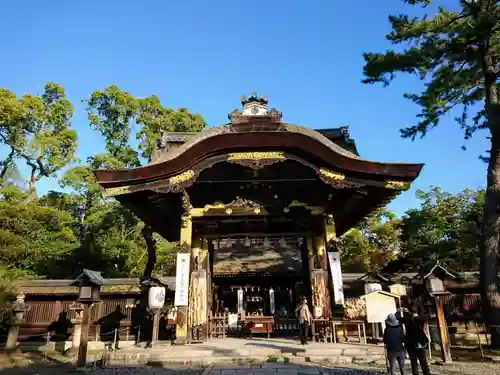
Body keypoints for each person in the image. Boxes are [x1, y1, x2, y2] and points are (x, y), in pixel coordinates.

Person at [399, 305, 431, 375]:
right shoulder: (421, 319)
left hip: (410, 343)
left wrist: (400, 311)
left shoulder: (407, 319)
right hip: (420, 343)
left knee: (414, 362)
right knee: (423, 362)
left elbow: (398, 318)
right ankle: (427, 373)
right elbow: (427, 316)